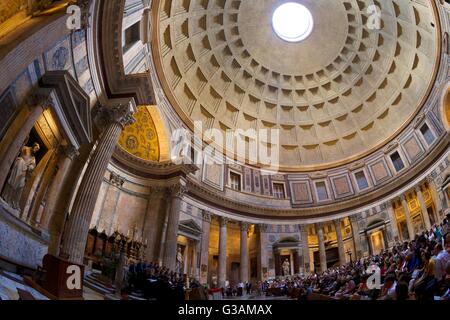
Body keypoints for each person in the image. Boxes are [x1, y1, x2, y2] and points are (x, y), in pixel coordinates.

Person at [1, 142, 40, 209]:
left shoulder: (33, 158)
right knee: (14, 181)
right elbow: (17, 152)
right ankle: (6, 197)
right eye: (36, 148)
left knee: (20, 185)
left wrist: (30, 167)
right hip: (18, 166)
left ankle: (12, 201)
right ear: (33, 146)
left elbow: (33, 165)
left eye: (37, 150)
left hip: (24, 171)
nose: (36, 150)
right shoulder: (25, 149)